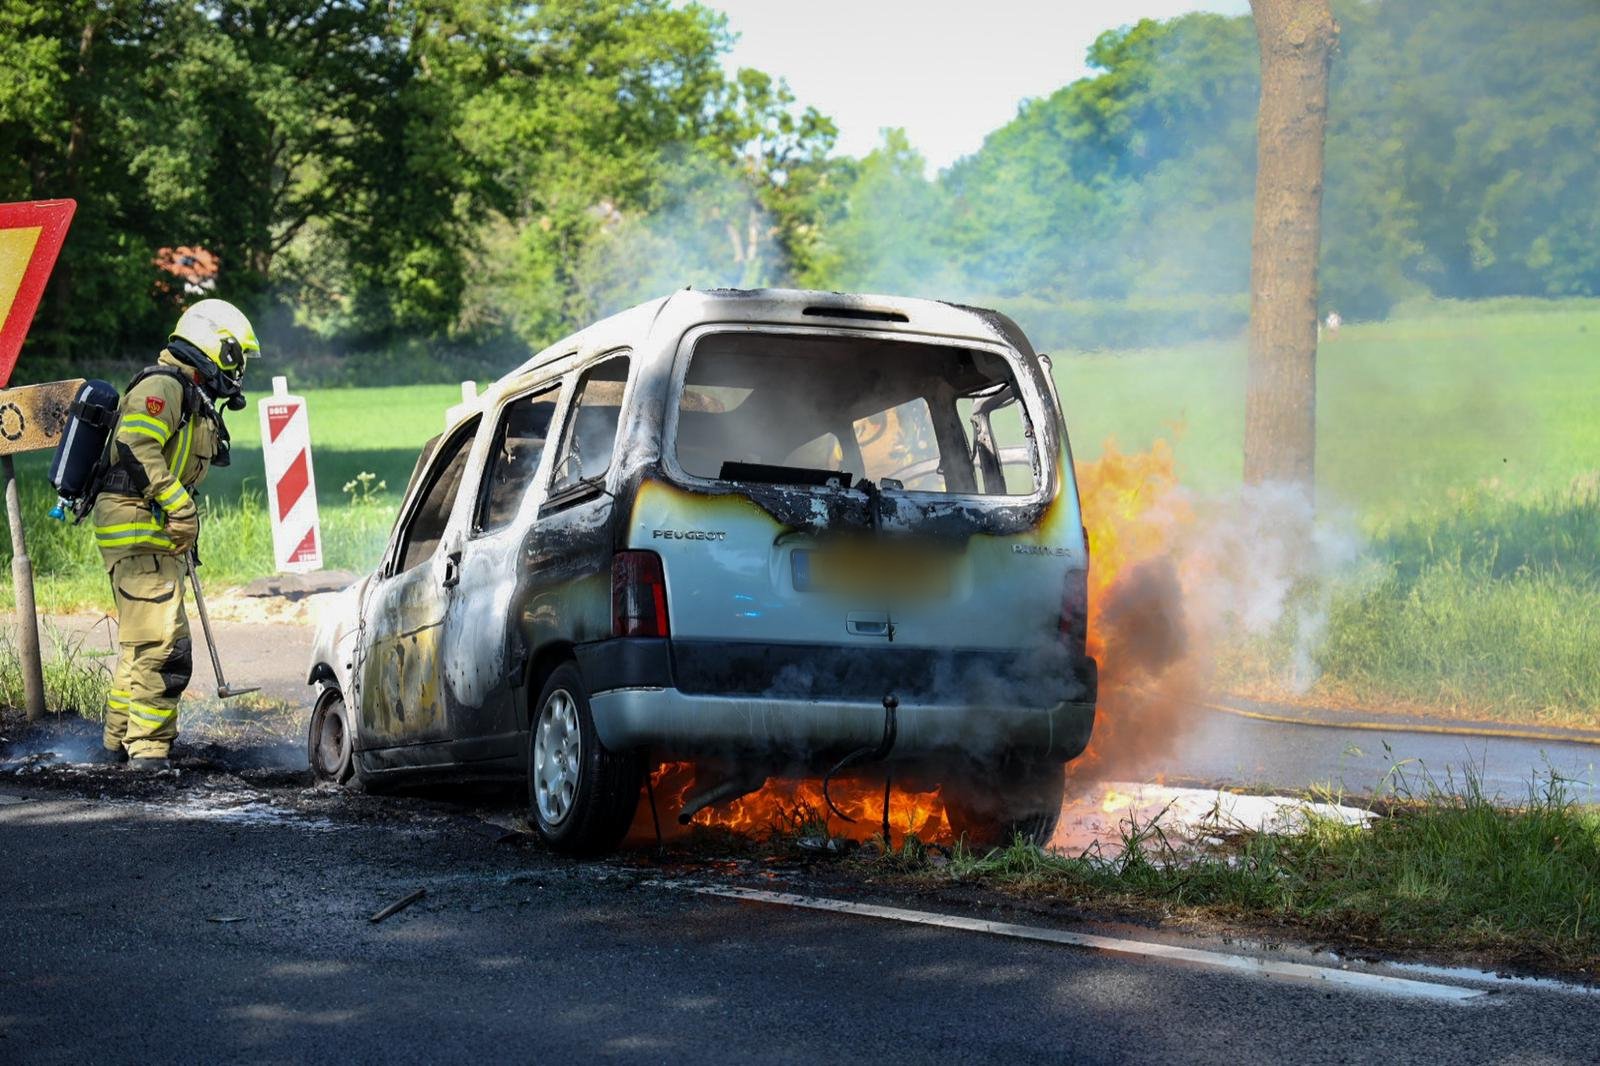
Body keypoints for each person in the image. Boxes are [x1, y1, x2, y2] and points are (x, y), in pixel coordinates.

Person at [94, 299, 257, 769]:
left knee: (141, 641)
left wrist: (176, 514)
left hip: (150, 525)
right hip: (136, 521)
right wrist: (178, 505)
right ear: (214, 344)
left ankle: (115, 744)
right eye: (236, 356)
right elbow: (134, 443)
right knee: (165, 645)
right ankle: (148, 753)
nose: (239, 369)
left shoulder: (191, 393)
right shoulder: (164, 387)